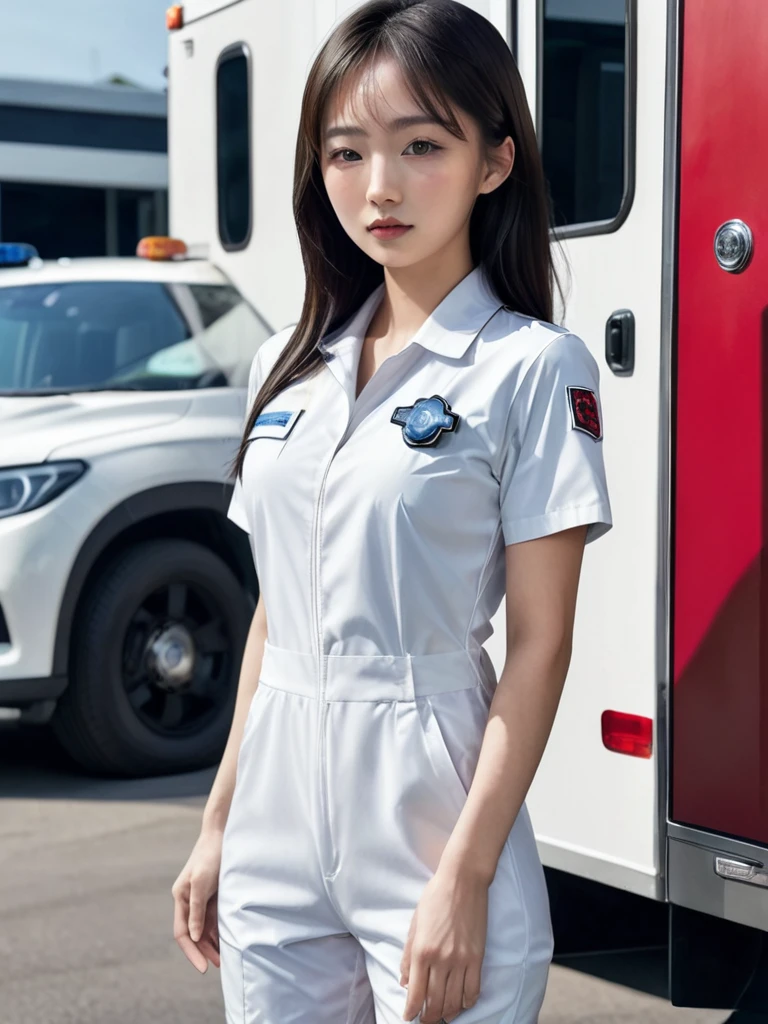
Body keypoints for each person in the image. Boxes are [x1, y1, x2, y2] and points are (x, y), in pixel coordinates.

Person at [171, 1, 612, 1021]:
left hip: (431, 818)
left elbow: (541, 646)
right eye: (347, 152)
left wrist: (466, 877)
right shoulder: (286, 366)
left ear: (494, 162)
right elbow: (279, 614)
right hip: (274, 824)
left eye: (421, 146)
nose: (380, 186)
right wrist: (219, 822)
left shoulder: (532, 368)